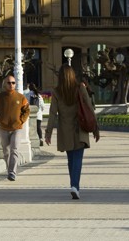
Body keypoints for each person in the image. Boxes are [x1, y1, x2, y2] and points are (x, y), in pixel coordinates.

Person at [45, 65, 100, 199]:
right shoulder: (80, 88)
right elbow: (89, 108)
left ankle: (73, 185)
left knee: (71, 160)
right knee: (77, 159)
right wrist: (96, 128)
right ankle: (75, 186)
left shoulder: (57, 92)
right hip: (80, 129)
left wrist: (48, 133)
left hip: (66, 131)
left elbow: (52, 114)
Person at [0, 73, 30, 181]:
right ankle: (9, 170)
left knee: (14, 149)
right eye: (9, 83)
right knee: (6, 151)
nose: (11, 84)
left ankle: (12, 172)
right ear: (4, 84)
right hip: (3, 128)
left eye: (13, 83)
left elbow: (27, 110)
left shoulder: (21, 97)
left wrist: (21, 120)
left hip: (16, 128)